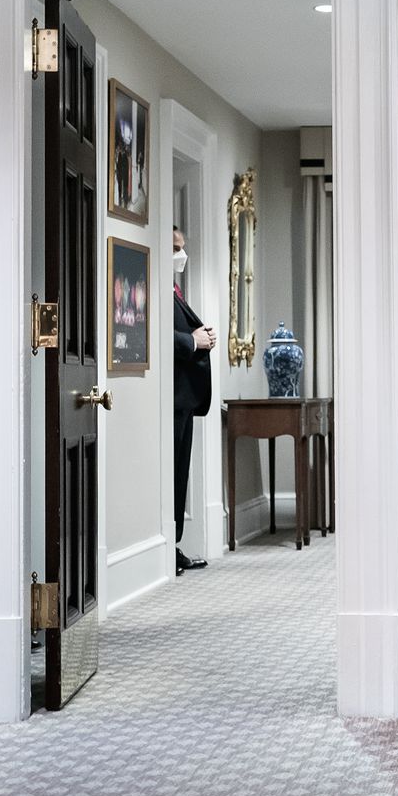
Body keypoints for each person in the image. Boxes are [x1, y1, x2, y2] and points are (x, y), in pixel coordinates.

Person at [171, 227, 213, 576]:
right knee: (170, 476)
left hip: (184, 399)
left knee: (179, 477)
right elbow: (152, 333)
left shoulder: (174, 290)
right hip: (170, 399)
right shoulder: (154, 288)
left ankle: (174, 545)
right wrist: (192, 341)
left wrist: (203, 338)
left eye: (182, 249)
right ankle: (168, 549)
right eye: (174, 248)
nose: (179, 255)